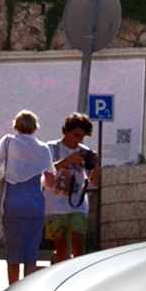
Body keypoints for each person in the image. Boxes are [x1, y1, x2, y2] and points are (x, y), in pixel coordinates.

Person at [0, 110, 54, 285]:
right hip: (35, 205)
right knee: (31, 255)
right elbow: (50, 182)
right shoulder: (43, 148)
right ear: (35, 127)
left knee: (13, 253)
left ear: (16, 125)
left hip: (12, 203)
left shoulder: (8, 142)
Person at [44, 112, 100, 263]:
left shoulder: (84, 152)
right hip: (55, 205)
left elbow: (94, 182)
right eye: (76, 134)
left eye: (82, 136)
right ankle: (59, 268)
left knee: (78, 246)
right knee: (62, 248)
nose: (78, 140)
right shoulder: (51, 148)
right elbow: (46, 173)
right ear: (66, 131)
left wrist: (97, 165)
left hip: (78, 205)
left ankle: (78, 279)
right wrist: (68, 160)